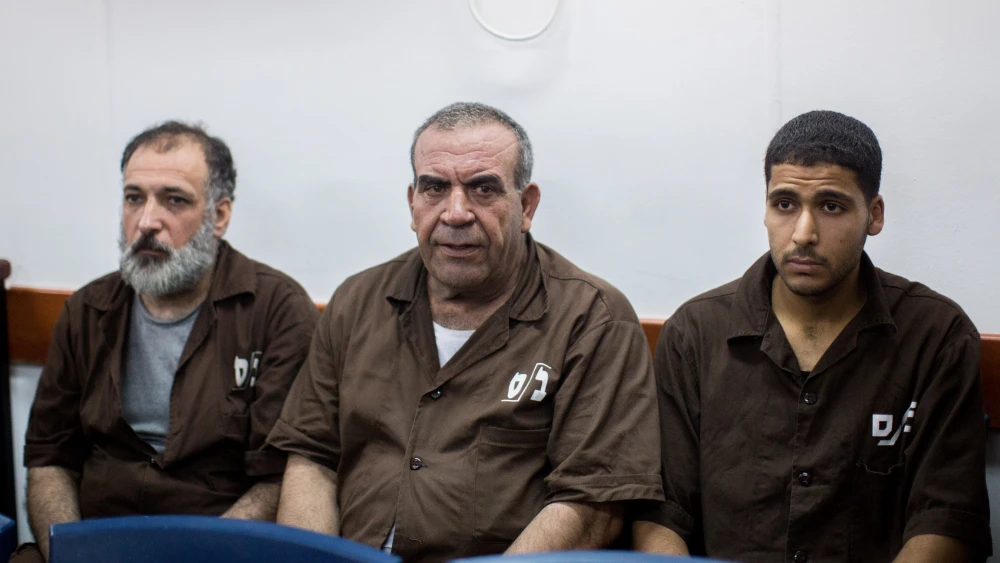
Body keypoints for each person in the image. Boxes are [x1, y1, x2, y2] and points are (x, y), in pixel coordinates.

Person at [266, 102, 664, 562]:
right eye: (434, 188)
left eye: (482, 189)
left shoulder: (592, 318)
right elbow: (312, 458)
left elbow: (593, 503)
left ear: (527, 205)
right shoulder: (356, 302)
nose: (456, 213)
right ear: (412, 204)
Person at [634, 110, 992, 562]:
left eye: (831, 206)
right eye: (784, 204)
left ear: (874, 215)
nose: (803, 234)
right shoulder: (695, 333)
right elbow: (664, 511)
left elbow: (946, 517)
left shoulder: (937, 335)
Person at [15, 122, 318, 562]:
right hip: (95, 543)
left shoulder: (277, 311)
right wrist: (67, 553)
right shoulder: (87, 310)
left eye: (174, 200)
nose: (147, 221)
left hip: (219, 549)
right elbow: (49, 459)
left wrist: (201, 556)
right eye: (134, 197)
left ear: (219, 215)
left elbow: (280, 478)